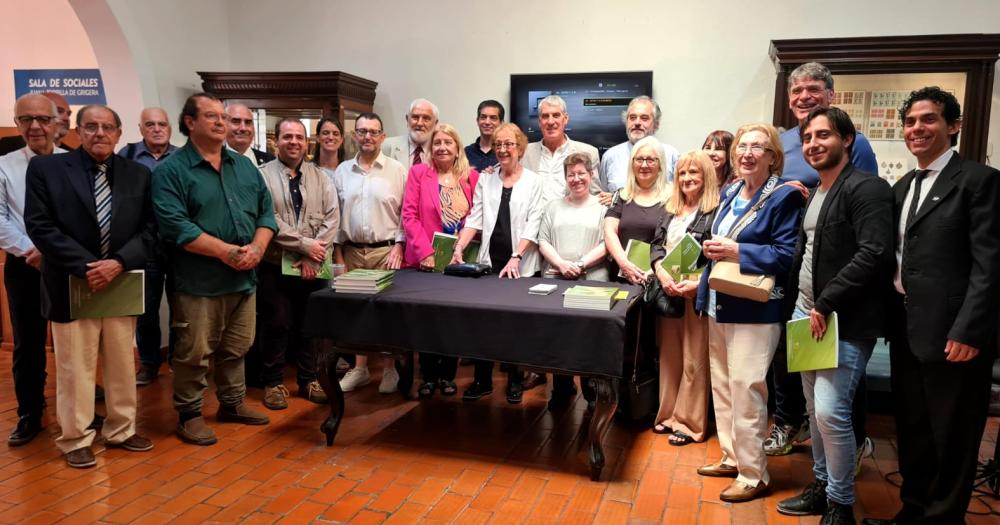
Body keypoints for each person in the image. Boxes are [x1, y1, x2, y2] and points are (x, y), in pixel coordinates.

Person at [863, 87, 1000, 525]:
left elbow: (990, 267)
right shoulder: (903, 186)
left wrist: (968, 331)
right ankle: (913, 512)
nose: (916, 129)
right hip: (907, 329)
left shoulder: (979, 181)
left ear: (953, 126)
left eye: (928, 120)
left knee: (953, 436)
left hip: (954, 335)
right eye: (910, 122)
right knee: (915, 430)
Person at [774, 107, 893, 524]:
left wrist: (825, 303)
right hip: (807, 315)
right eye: (807, 138)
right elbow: (807, 255)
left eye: (823, 135)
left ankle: (841, 506)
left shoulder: (868, 188)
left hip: (842, 320)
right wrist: (802, 306)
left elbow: (874, 253)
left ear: (847, 139)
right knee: (812, 411)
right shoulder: (819, 192)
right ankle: (822, 487)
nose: (813, 144)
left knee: (830, 411)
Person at [24, 104, 157, 468]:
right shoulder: (47, 169)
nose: (100, 133)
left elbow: (150, 229)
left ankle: (121, 429)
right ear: (77, 131)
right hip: (71, 281)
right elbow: (40, 225)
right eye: (91, 127)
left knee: (121, 362)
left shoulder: (137, 174)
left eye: (108, 127)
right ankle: (75, 438)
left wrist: (118, 263)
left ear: (118, 132)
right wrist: (87, 267)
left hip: (120, 280)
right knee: (75, 366)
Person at [767, 61, 879, 460]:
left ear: (831, 95)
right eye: (797, 91)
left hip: (835, 272)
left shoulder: (855, 144)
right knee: (790, 352)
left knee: (838, 363)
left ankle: (855, 438)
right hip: (789, 262)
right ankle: (790, 423)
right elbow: (765, 189)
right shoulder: (781, 139)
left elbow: (858, 202)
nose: (804, 96)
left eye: (813, 89)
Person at [153, 93, 277, 446]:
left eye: (224, 117)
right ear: (190, 122)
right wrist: (226, 252)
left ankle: (232, 404)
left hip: (243, 277)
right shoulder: (171, 171)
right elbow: (176, 227)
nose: (222, 123)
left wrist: (257, 248)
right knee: (194, 351)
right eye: (212, 116)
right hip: (198, 282)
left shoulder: (244, 167)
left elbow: (266, 214)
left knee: (237, 346)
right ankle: (189, 414)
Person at [694, 123, 802, 503]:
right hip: (718, 302)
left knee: (747, 388)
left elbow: (788, 255)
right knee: (722, 387)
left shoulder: (784, 197)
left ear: (773, 156)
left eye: (758, 147)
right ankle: (731, 456)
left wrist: (738, 252)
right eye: (742, 146)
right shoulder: (731, 191)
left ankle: (753, 474)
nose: (747, 153)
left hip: (756, 308)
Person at [451, 123, 543, 404]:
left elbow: (534, 223)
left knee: (516, 326)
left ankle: (515, 380)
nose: (503, 149)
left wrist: (517, 256)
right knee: (483, 323)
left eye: (509, 144)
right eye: (499, 144)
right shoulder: (486, 179)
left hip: (521, 265)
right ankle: (482, 380)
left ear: (520, 148)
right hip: (489, 263)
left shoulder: (534, 181)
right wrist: (459, 247)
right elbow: (475, 219)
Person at [256, 118, 339, 410]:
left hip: (313, 266)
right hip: (274, 263)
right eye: (287, 137)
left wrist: (311, 255)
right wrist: (304, 246)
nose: (294, 142)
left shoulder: (321, 177)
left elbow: (332, 217)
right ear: (275, 141)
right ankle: (274, 382)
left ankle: (308, 379)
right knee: (276, 322)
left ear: (307, 142)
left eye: (299, 137)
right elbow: (268, 219)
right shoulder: (262, 176)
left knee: (309, 325)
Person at [0, 94, 69, 446]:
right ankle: (30, 411)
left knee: (75, 341)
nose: (35, 127)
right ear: (17, 124)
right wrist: (33, 250)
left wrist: (59, 252)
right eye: (25, 119)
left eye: (42, 119)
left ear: (57, 123)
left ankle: (79, 409)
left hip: (70, 265)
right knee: (28, 343)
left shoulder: (75, 163)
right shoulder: (5, 165)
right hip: (24, 265)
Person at [402, 123, 480, 398]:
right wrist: (425, 252)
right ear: (430, 148)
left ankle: (448, 375)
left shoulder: (471, 177)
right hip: (426, 261)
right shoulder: (419, 174)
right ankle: (428, 375)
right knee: (427, 320)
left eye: (449, 142)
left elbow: (477, 217)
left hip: (459, 260)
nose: (443, 147)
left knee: (452, 318)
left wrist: (461, 243)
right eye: (438, 143)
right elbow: (409, 216)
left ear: (458, 147)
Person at [332, 112, 407, 394]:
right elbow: (335, 216)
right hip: (350, 253)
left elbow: (404, 213)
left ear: (382, 137)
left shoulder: (397, 170)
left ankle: (389, 370)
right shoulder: (342, 171)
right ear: (355, 136)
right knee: (354, 314)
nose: (367, 137)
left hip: (385, 252)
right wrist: (338, 256)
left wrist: (400, 245)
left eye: (374, 132)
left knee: (386, 314)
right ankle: (360, 369)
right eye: (362, 131)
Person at [648, 150, 720, 446]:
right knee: (669, 357)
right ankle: (666, 415)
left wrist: (695, 285)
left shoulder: (715, 211)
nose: (688, 179)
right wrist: (661, 273)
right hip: (667, 290)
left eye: (694, 173)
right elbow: (655, 246)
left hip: (695, 293)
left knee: (694, 360)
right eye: (682, 173)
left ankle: (690, 424)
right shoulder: (670, 208)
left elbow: (717, 258)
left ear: (706, 177)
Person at [537, 152, 608, 409]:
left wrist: (580, 264)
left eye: (581, 173)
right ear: (565, 177)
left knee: (588, 336)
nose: (576, 179)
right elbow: (543, 239)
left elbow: (607, 243)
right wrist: (561, 264)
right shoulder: (553, 206)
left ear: (590, 175)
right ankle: (561, 387)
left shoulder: (603, 207)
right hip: (556, 279)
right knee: (559, 335)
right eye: (571, 174)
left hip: (592, 280)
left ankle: (591, 391)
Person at [118, 107, 179, 386]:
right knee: (146, 310)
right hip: (143, 245)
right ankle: (149, 364)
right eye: (150, 124)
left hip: (179, 245)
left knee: (182, 309)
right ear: (140, 128)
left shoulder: (183, 158)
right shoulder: (126, 157)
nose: (157, 129)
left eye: (162, 124)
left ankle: (179, 361)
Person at [604, 136, 672, 286]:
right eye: (639, 159)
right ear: (632, 164)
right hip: (621, 276)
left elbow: (676, 240)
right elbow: (609, 232)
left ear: (660, 164)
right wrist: (624, 264)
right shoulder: (621, 195)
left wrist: (655, 271)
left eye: (650, 160)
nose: (644, 165)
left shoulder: (673, 197)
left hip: (658, 281)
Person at [521, 95, 602, 204]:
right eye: (545, 116)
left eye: (556, 115)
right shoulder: (523, 152)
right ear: (539, 122)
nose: (550, 121)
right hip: (534, 219)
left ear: (566, 119)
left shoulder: (588, 152)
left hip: (571, 218)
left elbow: (595, 195)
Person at [600, 96, 680, 201]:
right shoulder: (610, 157)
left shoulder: (672, 155)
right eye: (632, 118)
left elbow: (680, 197)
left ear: (656, 125)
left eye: (644, 118)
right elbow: (603, 198)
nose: (637, 123)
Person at [0, 92, 72, 156]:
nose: (66, 118)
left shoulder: (72, 157)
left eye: (68, 114)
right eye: (59, 111)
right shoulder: (7, 148)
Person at [382, 99, 438, 171]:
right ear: (407, 120)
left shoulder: (441, 153)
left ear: (435, 123)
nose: (419, 123)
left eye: (426, 118)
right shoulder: (386, 146)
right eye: (415, 117)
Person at [225, 102, 274, 167]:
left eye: (248, 122)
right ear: (224, 125)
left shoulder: (270, 161)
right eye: (236, 121)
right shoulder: (211, 161)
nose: (243, 128)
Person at [464, 100, 504, 172]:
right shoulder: (465, 153)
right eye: (483, 117)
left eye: (493, 118)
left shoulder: (506, 153)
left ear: (501, 123)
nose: (487, 122)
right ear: (477, 121)